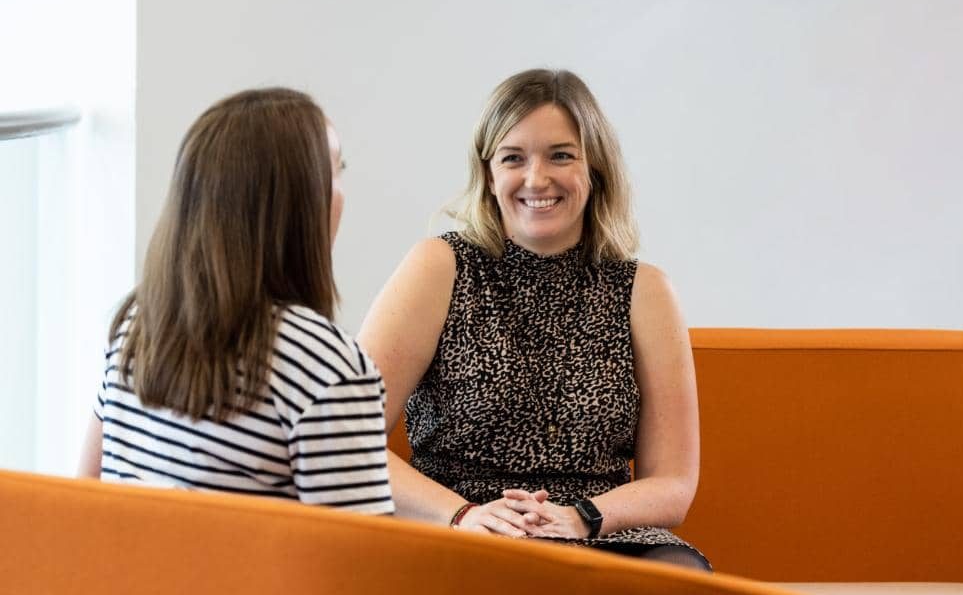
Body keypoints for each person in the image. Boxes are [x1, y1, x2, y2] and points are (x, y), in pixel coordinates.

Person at [358, 69, 709, 568]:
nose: (536, 178)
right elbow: (349, 438)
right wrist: (462, 515)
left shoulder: (645, 290)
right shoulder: (438, 266)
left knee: (679, 578)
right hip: (458, 526)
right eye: (513, 158)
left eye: (561, 155)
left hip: (600, 532)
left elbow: (673, 485)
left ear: (596, 168)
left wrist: (581, 515)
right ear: (489, 173)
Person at [77, 88, 394, 515]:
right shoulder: (323, 363)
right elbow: (359, 570)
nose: (342, 191)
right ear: (298, 201)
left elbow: (85, 495)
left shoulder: (138, 320)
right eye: (336, 170)